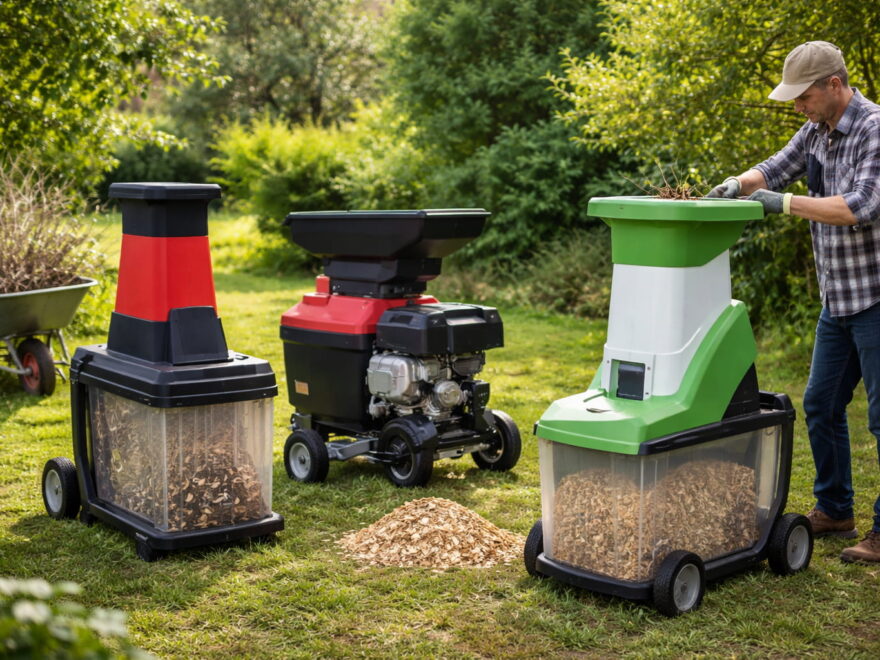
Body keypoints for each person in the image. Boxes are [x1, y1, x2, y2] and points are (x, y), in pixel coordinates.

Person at [707, 40, 880, 563]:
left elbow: (861, 206)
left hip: (876, 298)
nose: (797, 107)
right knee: (820, 405)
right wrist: (737, 184)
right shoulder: (816, 130)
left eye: (803, 96)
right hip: (838, 300)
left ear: (834, 84)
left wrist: (781, 204)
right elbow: (775, 167)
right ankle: (835, 508)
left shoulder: (874, 129)